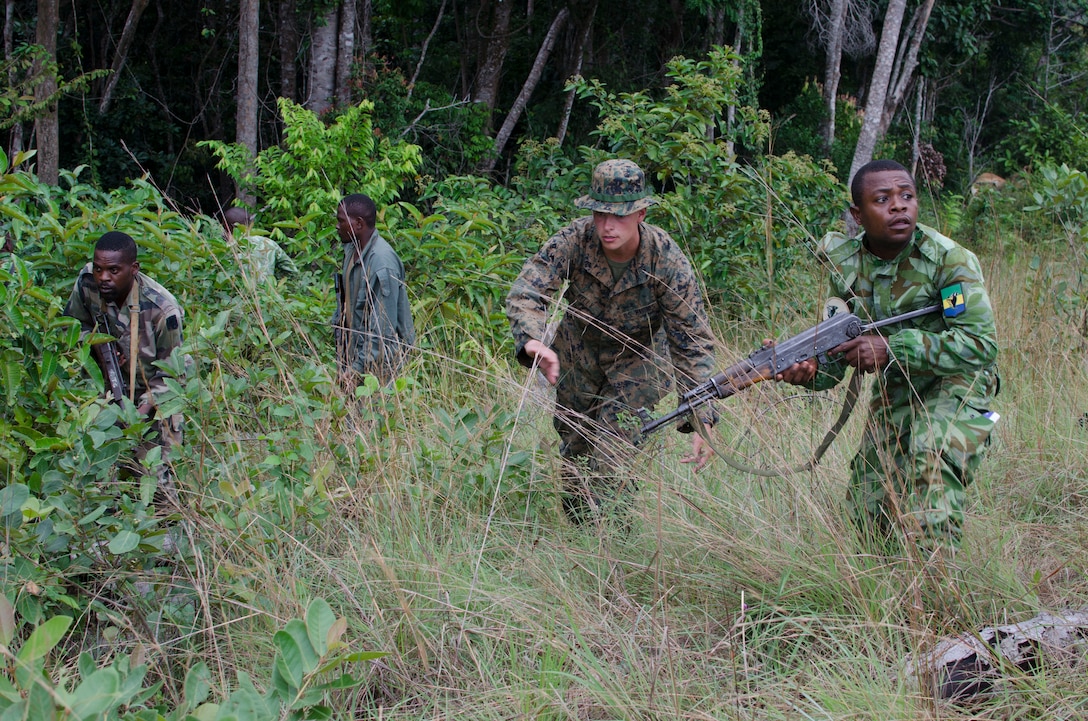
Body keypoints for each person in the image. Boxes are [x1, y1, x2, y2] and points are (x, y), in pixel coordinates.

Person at [777, 159, 999, 555]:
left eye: (907, 196)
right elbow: (837, 357)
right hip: (899, 381)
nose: (899, 206)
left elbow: (979, 345)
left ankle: (938, 589)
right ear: (857, 215)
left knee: (932, 453)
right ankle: (876, 595)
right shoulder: (846, 267)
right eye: (883, 199)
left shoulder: (949, 261)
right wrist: (809, 370)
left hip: (959, 379)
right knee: (868, 501)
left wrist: (891, 348)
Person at [506, 159, 718, 525]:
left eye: (618, 216)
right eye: (600, 213)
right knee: (576, 453)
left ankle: (615, 545)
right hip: (579, 356)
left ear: (641, 213)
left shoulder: (667, 260)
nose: (607, 225)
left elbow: (692, 340)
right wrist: (534, 340)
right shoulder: (575, 239)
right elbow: (527, 290)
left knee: (612, 455)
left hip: (640, 361)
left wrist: (701, 415)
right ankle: (579, 540)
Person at [64, 231, 186, 482]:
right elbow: (71, 326)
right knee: (97, 476)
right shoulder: (87, 282)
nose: (103, 278)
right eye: (98, 269)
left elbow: (173, 375)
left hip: (155, 402)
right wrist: (95, 346)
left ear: (134, 269)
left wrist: (137, 417)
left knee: (156, 483)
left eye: (113, 271)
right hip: (108, 393)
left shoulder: (162, 308)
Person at [333, 193, 415, 387]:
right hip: (355, 358)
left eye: (341, 221)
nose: (337, 226)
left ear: (359, 224)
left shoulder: (381, 263)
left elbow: (382, 331)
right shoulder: (352, 251)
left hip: (380, 367)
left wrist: (357, 369)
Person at [220, 206, 298, 286]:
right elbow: (292, 271)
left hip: (238, 296)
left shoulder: (226, 250)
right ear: (250, 225)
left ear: (226, 227)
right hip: (268, 294)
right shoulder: (268, 243)